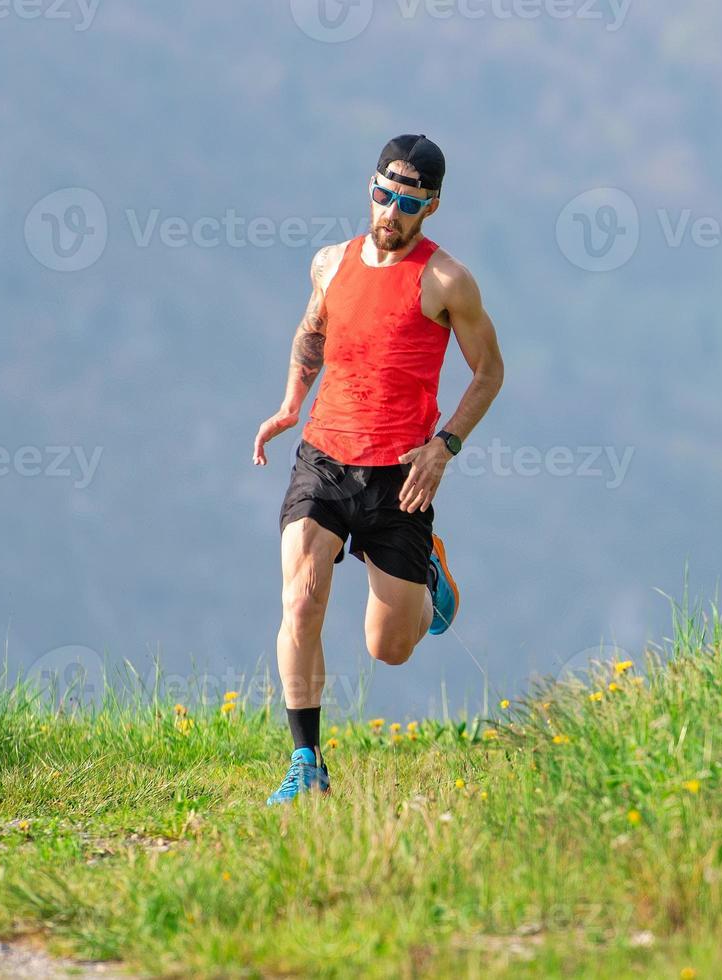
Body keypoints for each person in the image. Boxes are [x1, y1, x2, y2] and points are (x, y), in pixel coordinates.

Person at [251, 134, 505, 805]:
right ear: (370, 188)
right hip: (324, 459)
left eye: (408, 202)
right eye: (383, 194)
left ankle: (427, 572)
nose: (390, 211)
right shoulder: (330, 263)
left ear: (432, 207)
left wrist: (443, 445)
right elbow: (313, 331)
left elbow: (489, 372)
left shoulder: (446, 280)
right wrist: (289, 403)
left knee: (387, 648)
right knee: (300, 599)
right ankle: (306, 761)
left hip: (401, 476)